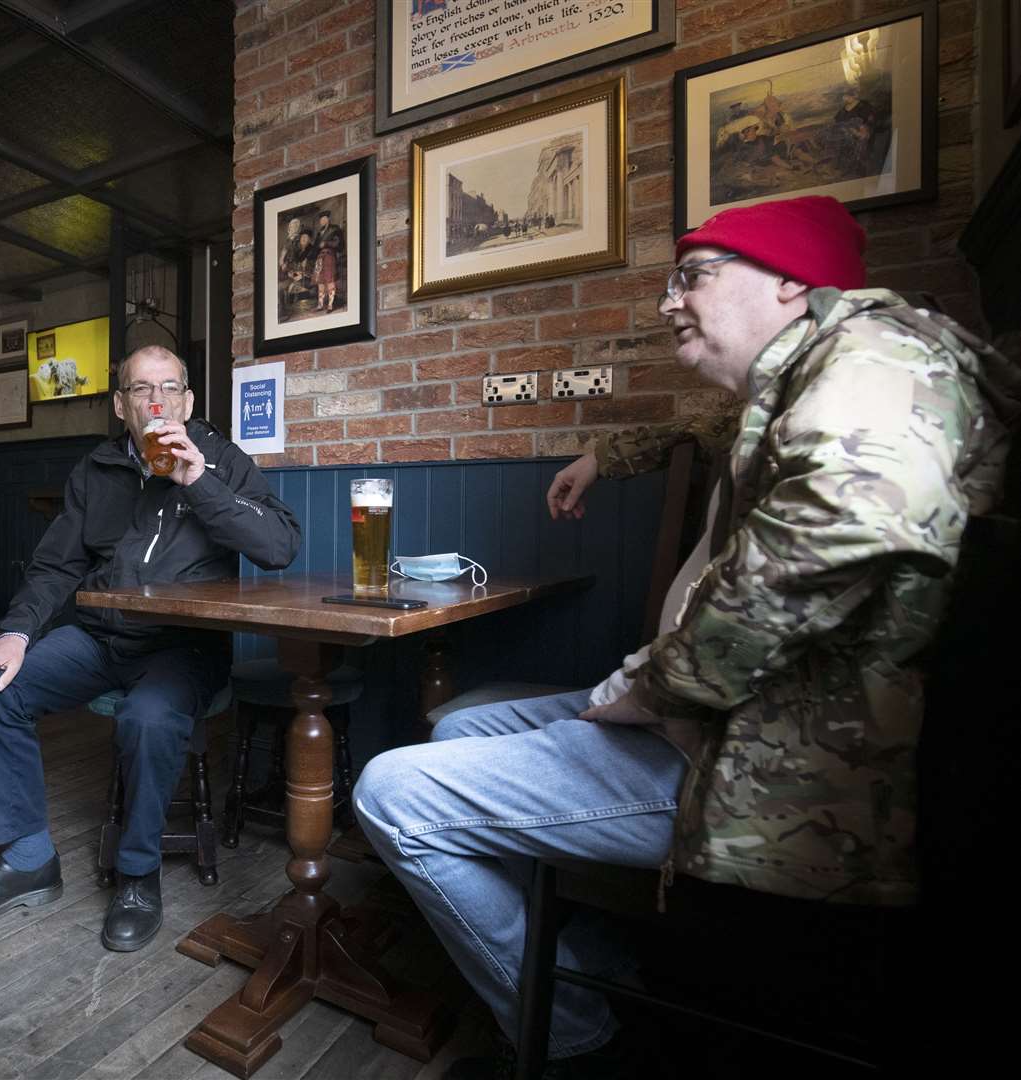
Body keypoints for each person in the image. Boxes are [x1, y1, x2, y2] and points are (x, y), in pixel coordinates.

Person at [351, 195, 1019, 1077]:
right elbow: (694, 428)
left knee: (391, 789)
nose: (668, 301)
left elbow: (851, 520)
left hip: (755, 761)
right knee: (456, 724)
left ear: (789, 284)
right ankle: (583, 961)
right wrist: (604, 458)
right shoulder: (793, 384)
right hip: (708, 716)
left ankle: (574, 1031)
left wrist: (656, 688)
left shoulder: (879, 358)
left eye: (693, 277)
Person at [0, 345, 301, 952]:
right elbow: (53, 567)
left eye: (170, 388)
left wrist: (198, 480)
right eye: (141, 390)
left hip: (184, 648)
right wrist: (14, 635)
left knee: (148, 717)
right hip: (102, 637)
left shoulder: (222, 460)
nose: (157, 402)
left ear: (188, 400)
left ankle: (136, 874)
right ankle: (28, 860)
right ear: (121, 404)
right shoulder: (96, 470)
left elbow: (279, 546)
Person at [314, 209, 344, 311]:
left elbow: (339, 244)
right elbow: (315, 247)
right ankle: (320, 304)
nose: (321, 221)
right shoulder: (319, 233)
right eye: (320, 220)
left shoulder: (335, 229)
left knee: (330, 279)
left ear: (327, 219)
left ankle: (330, 304)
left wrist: (326, 243)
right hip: (319, 258)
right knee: (320, 281)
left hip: (329, 256)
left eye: (323, 219)